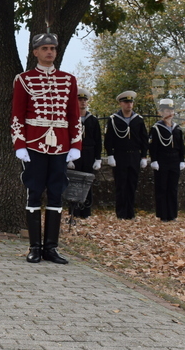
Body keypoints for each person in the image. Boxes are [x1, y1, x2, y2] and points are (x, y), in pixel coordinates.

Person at [11, 32, 82, 264]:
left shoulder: (69, 80)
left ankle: (51, 247)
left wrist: (75, 144)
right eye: (44, 48)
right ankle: (34, 247)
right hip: (34, 144)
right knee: (34, 192)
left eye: (52, 48)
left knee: (56, 193)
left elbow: (74, 116)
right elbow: (17, 116)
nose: (49, 52)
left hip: (60, 145)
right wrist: (19, 144)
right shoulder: (23, 79)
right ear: (35, 52)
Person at [104, 91, 148, 220]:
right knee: (121, 185)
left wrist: (144, 156)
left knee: (132, 184)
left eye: (131, 102)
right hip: (120, 155)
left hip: (134, 155)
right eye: (126, 102)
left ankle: (130, 213)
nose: (129, 104)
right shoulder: (113, 119)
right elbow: (109, 139)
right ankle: (121, 213)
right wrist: (110, 155)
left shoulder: (138, 120)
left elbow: (144, 139)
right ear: (121, 103)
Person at [148, 98, 185, 222]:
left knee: (173, 188)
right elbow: (153, 146)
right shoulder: (156, 128)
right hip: (162, 160)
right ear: (161, 112)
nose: (169, 113)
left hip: (174, 159)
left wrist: (182, 160)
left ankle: (172, 214)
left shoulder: (177, 128)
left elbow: (181, 146)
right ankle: (163, 214)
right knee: (162, 187)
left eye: (171, 110)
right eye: (166, 110)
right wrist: (154, 160)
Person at [69, 88, 102, 218]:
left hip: (89, 154)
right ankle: (73, 210)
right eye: (79, 99)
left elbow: (98, 140)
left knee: (87, 182)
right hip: (75, 154)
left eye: (84, 100)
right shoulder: (71, 119)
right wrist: (68, 158)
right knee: (74, 183)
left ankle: (86, 211)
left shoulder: (92, 120)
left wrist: (98, 158)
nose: (82, 102)